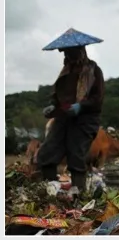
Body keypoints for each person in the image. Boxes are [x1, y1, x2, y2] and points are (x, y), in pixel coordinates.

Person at [38, 43, 104, 192]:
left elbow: (97, 99)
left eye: (72, 53)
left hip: (85, 119)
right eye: (66, 53)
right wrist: (53, 107)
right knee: (48, 151)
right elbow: (58, 96)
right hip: (64, 116)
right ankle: (50, 189)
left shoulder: (93, 71)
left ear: (81, 51)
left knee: (76, 153)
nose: (68, 56)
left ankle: (78, 192)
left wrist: (81, 106)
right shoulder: (66, 72)